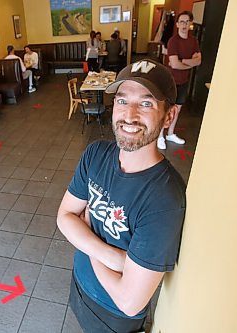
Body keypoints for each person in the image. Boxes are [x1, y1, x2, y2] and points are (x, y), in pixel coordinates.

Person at [57, 59, 186, 333]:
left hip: (114, 317)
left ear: (169, 116)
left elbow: (129, 301)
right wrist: (114, 259)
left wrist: (88, 230)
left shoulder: (165, 197)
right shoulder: (95, 154)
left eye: (146, 103)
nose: (129, 115)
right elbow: (64, 217)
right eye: (122, 101)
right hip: (80, 283)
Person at [157, 10, 201, 150]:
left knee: (177, 109)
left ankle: (170, 133)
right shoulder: (173, 41)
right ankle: (160, 136)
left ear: (190, 24)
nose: (184, 24)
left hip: (184, 80)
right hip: (171, 81)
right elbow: (173, 64)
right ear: (177, 24)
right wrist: (189, 63)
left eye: (187, 21)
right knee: (167, 109)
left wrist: (181, 61)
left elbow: (198, 61)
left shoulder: (193, 41)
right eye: (181, 21)